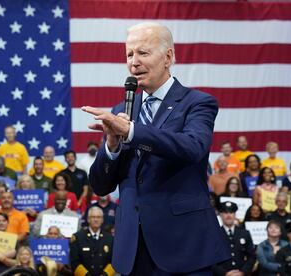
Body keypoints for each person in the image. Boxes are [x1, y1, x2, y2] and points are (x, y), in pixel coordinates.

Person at [82, 22, 229, 275]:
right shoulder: (121, 110)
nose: (134, 62)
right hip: (133, 250)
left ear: (168, 57)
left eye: (143, 53)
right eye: (129, 54)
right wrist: (111, 146)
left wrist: (131, 131)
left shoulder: (198, 103)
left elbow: (193, 147)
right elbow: (101, 186)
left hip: (183, 247)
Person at [212, 201, 256, 276]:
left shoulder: (245, 233)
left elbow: (252, 256)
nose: (228, 215)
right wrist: (224, 273)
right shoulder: (214, 234)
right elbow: (211, 258)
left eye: (231, 212)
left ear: (235, 215)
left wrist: (243, 272)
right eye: (225, 212)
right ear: (220, 215)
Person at [70, 206, 114, 276]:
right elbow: (74, 262)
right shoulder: (78, 237)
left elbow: (113, 262)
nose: (96, 220)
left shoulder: (109, 238)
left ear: (102, 220)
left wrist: (105, 275)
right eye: (93, 217)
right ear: (88, 219)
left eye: (98, 217)